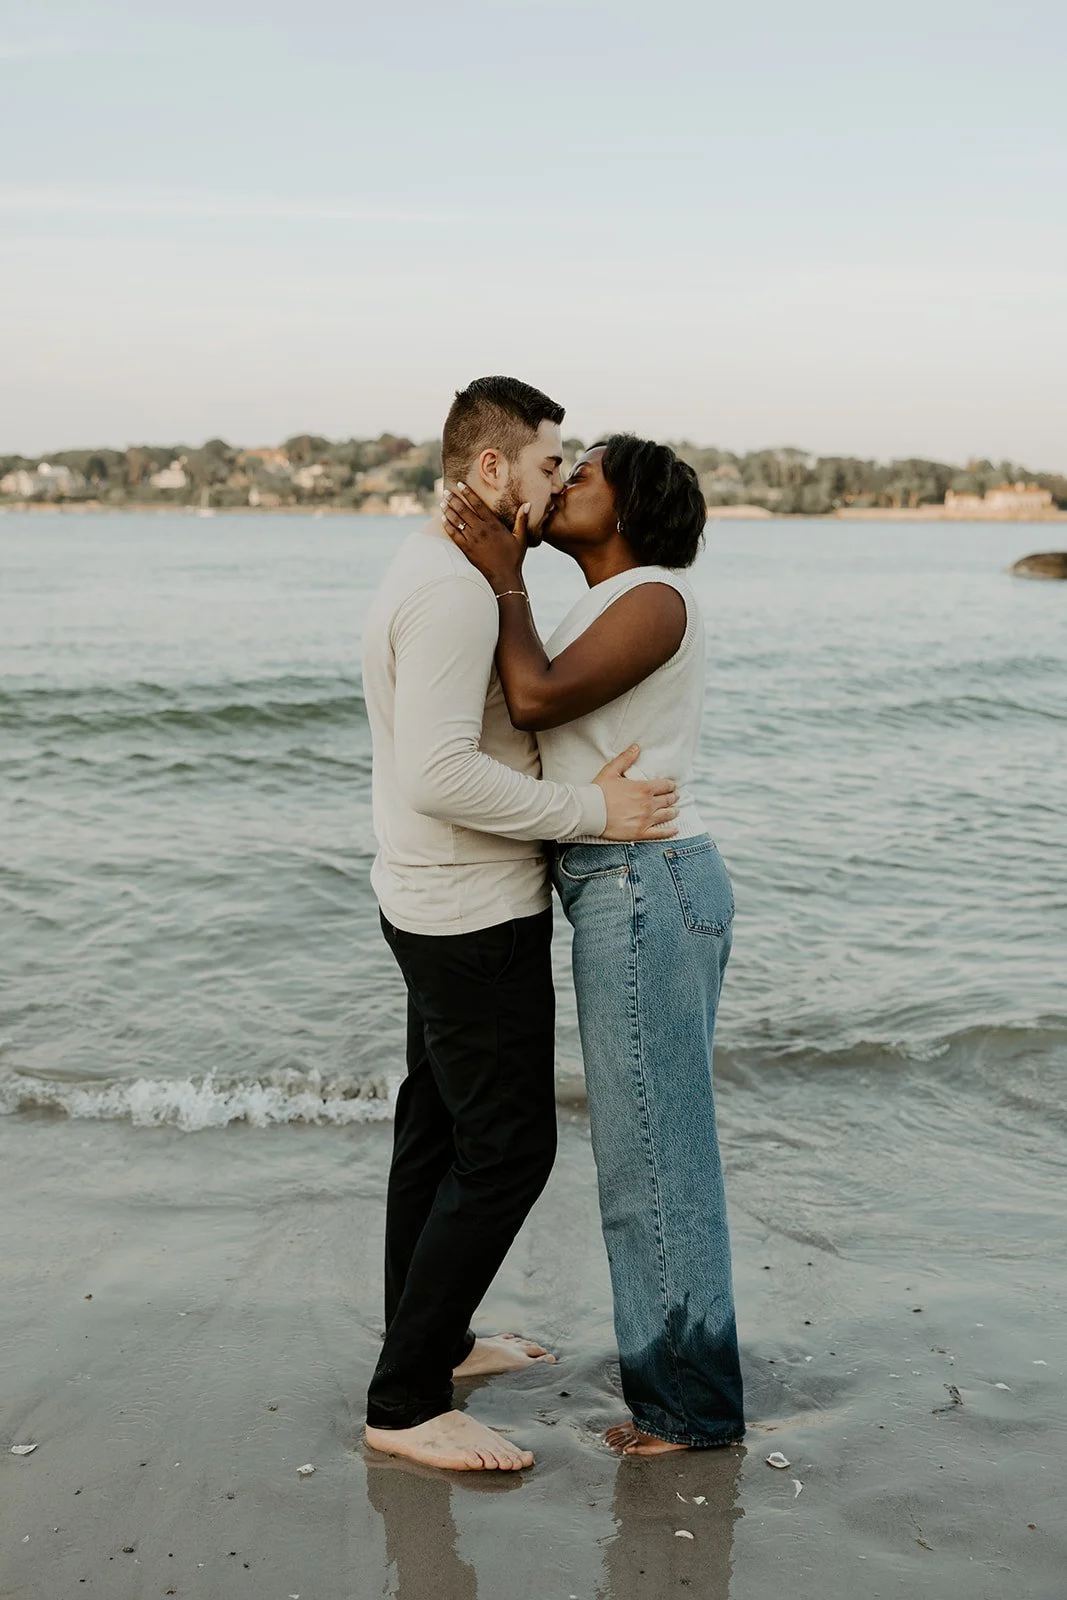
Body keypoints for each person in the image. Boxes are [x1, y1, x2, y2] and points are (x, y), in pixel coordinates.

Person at [360, 379, 680, 1473]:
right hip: (468, 909)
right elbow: (443, 771)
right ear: (492, 472)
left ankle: (433, 1347)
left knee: (437, 1133)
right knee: (507, 1154)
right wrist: (595, 811)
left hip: (426, 894)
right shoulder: (455, 591)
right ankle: (403, 1404)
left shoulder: (438, 565)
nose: (557, 480)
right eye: (549, 464)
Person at [442, 434, 745, 1455]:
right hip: (624, 881)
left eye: (583, 475)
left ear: (629, 507)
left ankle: (687, 1407)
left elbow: (531, 699)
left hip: (642, 883)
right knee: (653, 1154)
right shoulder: (605, 600)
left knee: (652, 1163)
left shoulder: (653, 598)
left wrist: (503, 573)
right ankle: (687, 1389)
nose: (561, 482)